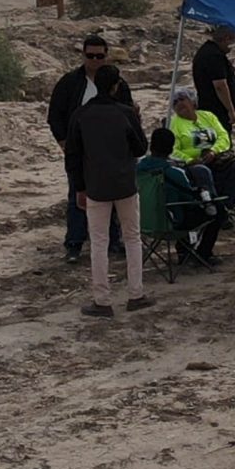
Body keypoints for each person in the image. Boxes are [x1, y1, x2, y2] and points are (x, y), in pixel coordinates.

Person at [64, 65, 151, 317]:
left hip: (96, 186)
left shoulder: (81, 115)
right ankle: (136, 293)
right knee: (132, 237)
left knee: (99, 242)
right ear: (116, 85)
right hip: (124, 183)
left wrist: (79, 187)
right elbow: (139, 148)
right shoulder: (125, 113)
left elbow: (73, 156)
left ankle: (102, 300)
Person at [47, 35, 134, 263]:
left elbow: (129, 115)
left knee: (113, 197)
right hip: (80, 150)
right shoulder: (69, 82)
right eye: (90, 56)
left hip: (111, 151)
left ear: (106, 56)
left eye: (100, 56)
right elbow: (55, 115)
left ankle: (113, 241)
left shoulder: (118, 83)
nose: (95, 60)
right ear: (83, 55)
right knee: (77, 194)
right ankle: (74, 244)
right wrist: (65, 145)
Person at [136, 127, 224, 265]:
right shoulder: (174, 173)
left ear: (151, 146)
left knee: (181, 207)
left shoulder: (138, 170)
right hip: (170, 224)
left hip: (142, 222)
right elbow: (189, 200)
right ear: (171, 150)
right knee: (216, 210)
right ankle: (201, 253)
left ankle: (185, 251)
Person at [169, 87, 235, 209]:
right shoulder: (174, 123)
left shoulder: (207, 116)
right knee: (202, 170)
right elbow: (173, 150)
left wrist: (213, 151)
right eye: (175, 102)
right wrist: (189, 159)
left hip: (215, 158)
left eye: (181, 99)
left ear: (193, 102)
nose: (179, 103)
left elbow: (223, 137)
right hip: (192, 164)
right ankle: (217, 208)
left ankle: (227, 205)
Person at [192, 26, 235, 137]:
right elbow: (220, 85)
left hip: (206, 107)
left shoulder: (206, 51)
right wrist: (230, 110)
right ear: (226, 39)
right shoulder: (214, 56)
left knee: (205, 143)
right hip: (216, 109)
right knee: (219, 142)